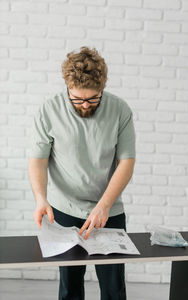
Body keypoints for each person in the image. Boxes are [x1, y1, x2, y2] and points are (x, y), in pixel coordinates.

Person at [28, 46, 136, 300]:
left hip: (108, 211)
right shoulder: (49, 110)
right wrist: (41, 199)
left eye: (92, 98)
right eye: (77, 99)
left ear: (102, 89)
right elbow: (38, 160)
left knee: (113, 289)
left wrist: (104, 205)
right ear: (68, 88)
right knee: (70, 289)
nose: (85, 104)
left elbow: (127, 162)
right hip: (64, 211)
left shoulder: (120, 110)